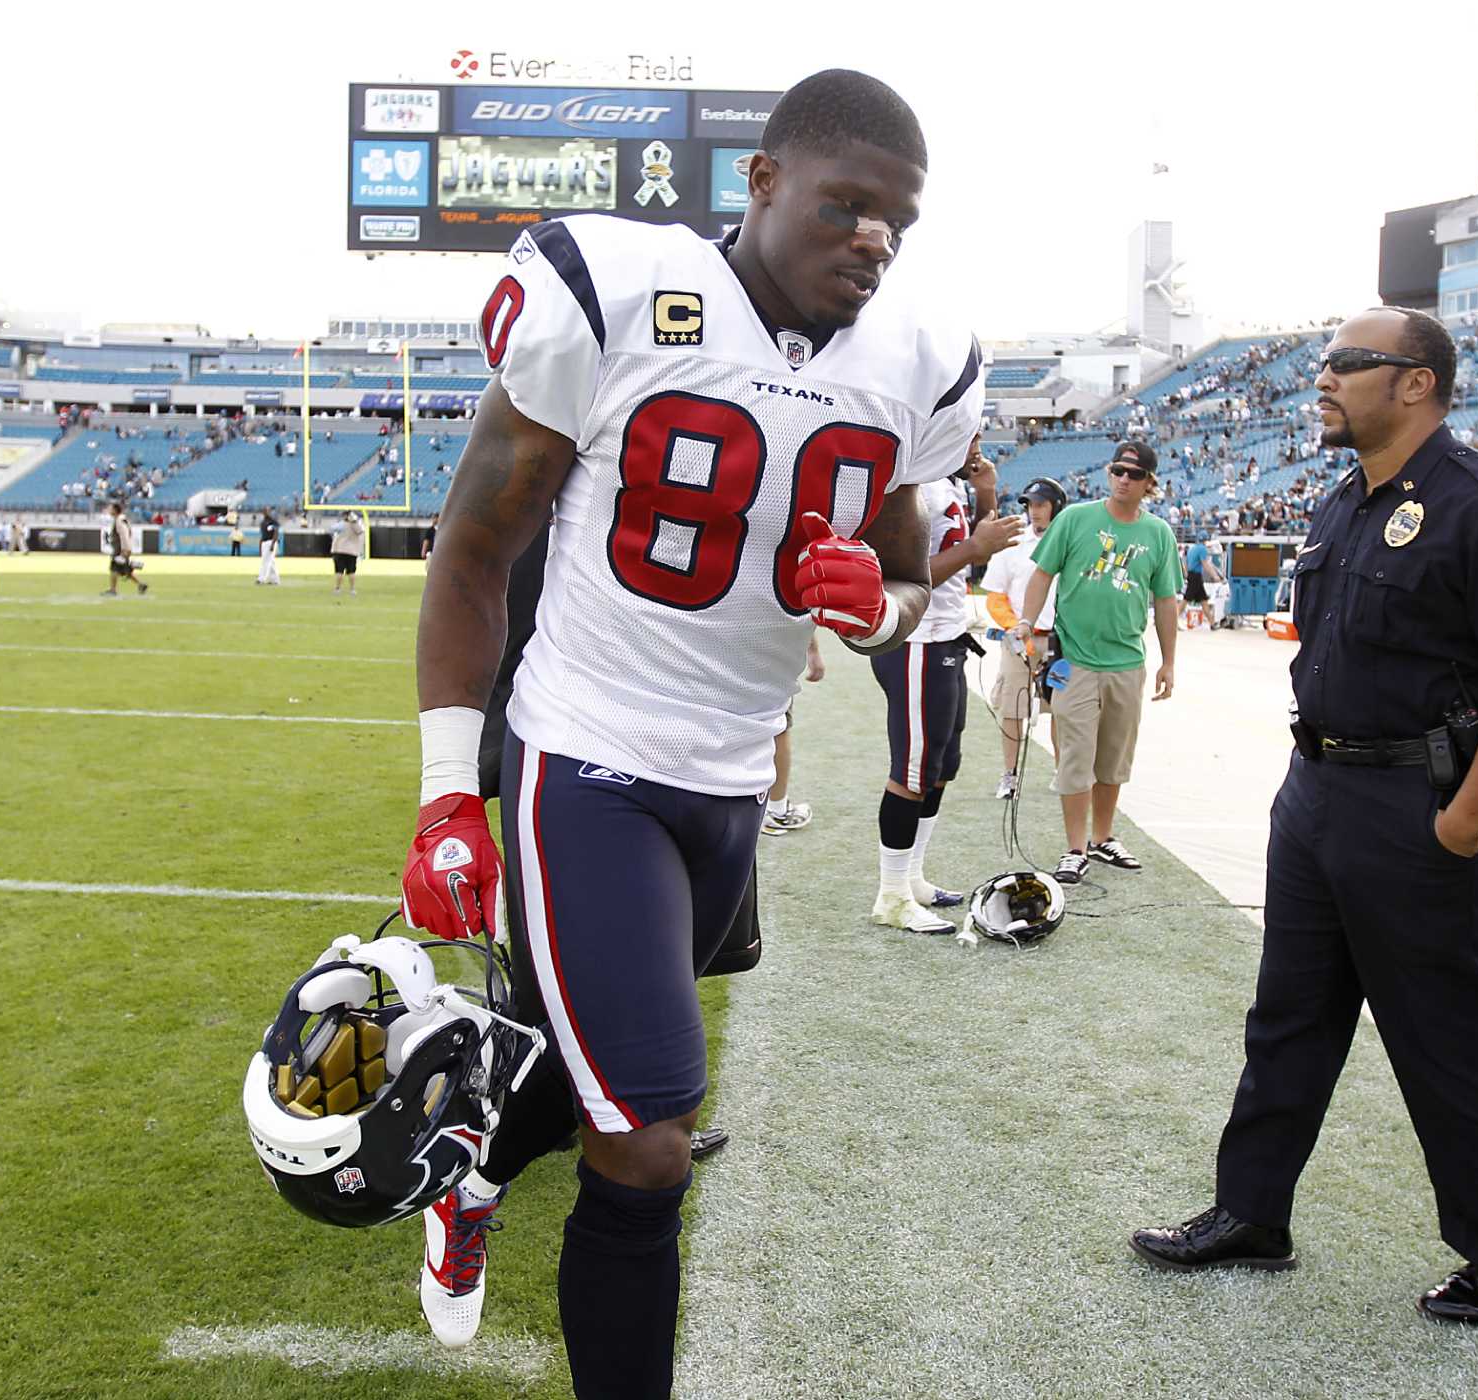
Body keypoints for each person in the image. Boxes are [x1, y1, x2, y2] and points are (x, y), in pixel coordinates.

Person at [395, 69, 982, 1396]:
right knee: (652, 1136)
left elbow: (898, 585)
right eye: (847, 206)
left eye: (897, 222)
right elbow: (476, 550)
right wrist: (448, 795)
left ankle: (466, 1161)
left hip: (730, 780)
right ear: (763, 180)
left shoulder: (918, 363)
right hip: (587, 755)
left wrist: (880, 607)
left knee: (595, 1066)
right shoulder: (613, 291)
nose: (874, 242)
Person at [1130, 307, 1478, 1327]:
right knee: (1285, 1018)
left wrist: (1463, 819)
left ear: (1414, 381)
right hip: (1319, 794)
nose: (1321, 379)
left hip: (1419, 805)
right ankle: (1250, 1212)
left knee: (1448, 1038)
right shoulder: (1342, 503)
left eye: (1345, 364)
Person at [868, 435, 1020, 932]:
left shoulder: (944, 481)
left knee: (940, 765)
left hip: (947, 634)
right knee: (912, 770)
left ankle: (911, 877)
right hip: (916, 640)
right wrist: (976, 545)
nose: (973, 443)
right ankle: (890, 895)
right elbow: (896, 574)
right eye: (967, 432)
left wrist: (986, 496)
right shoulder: (905, 482)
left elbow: (974, 554)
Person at [1015, 440, 1183, 884]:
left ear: (1149, 483)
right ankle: (1074, 847)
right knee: (1075, 754)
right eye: (1118, 470)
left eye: (1134, 473)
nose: (1124, 478)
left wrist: (1169, 661)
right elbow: (1042, 574)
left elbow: (1165, 600)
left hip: (1127, 661)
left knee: (1114, 757)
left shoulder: (1158, 534)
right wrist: (1027, 622)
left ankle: (1103, 837)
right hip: (1075, 660)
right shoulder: (1074, 519)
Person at [983, 476, 1066, 800]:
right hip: (1018, 641)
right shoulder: (1013, 545)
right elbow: (995, 596)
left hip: (1061, 643)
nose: (1034, 512)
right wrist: (1016, 626)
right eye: (1031, 505)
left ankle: (1063, 773)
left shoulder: (1069, 543)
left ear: (1056, 507)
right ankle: (1010, 775)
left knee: (1062, 710)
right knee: (1013, 709)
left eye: (1041, 505)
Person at [762, 633, 825, 835]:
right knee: (778, 726)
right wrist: (813, 650)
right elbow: (802, 606)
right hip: (766, 651)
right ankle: (777, 811)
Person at [102, 501, 147, 596]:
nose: (109, 510)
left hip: (120, 549)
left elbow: (124, 535)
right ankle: (141, 584)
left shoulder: (119, 521)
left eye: (110, 508)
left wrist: (124, 550)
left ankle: (113, 590)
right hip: (123, 548)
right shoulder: (123, 519)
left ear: (115, 510)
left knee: (114, 568)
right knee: (125, 570)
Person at [331, 511, 364, 595]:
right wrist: (354, 522)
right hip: (351, 551)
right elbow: (360, 531)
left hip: (340, 550)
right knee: (351, 571)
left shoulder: (341, 524)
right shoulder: (356, 525)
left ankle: (338, 589)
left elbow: (332, 528)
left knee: (339, 571)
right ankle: (352, 589)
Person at [256, 509, 281, 585]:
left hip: (270, 542)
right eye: (264, 511)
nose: (265, 512)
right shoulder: (263, 523)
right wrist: (260, 547)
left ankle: (261, 579)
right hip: (264, 542)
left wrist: (273, 544)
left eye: (267, 511)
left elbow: (276, 533)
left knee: (266, 561)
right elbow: (262, 535)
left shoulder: (273, 521)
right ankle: (275, 580)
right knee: (271, 562)